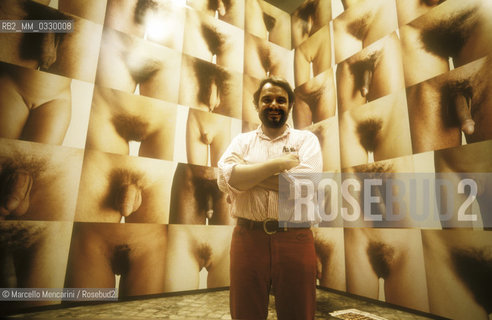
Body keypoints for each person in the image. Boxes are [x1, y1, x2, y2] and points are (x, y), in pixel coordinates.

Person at [218, 77, 323, 320]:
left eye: (281, 100)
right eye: (267, 99)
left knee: (299, 312)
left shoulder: (306, 140)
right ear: (257, 105)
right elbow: (224, 179)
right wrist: (277, 165)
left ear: (290, 106)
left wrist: (248, 174)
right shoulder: (241, 142)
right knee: (246, 312)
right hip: (247, 237)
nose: (274, 104)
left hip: (295, 237)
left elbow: (307, 185)